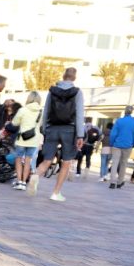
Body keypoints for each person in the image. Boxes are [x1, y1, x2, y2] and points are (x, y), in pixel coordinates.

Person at [30, 67, 84, 202]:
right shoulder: (77, 92)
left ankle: (35, 176)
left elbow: (46, 110)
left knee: (47, 159)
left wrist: (44, 128)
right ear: (74, 78)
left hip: (52, 128)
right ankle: (56, 193)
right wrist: (80, 135)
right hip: (69, 130)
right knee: (66, 162)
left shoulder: (52, 91)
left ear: (63, 76)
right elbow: (79, 114)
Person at [10, 91, 42, 192]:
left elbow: (15, 122)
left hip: (22, 139)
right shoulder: (41, 111)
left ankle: (19, 181)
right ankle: (24, 182)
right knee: (28, 160)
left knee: (19, 159)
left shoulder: (23, 110)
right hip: (34, 139)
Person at [108, 105, 134, 189]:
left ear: (125, 111)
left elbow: (113, 133)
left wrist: (111, 143)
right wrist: (133, 143)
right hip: (128, 145)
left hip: (117, 145)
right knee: (124, 163)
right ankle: (119, 182)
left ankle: (112, 183)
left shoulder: (119, 121)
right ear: (132, 111)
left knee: (114, 163)